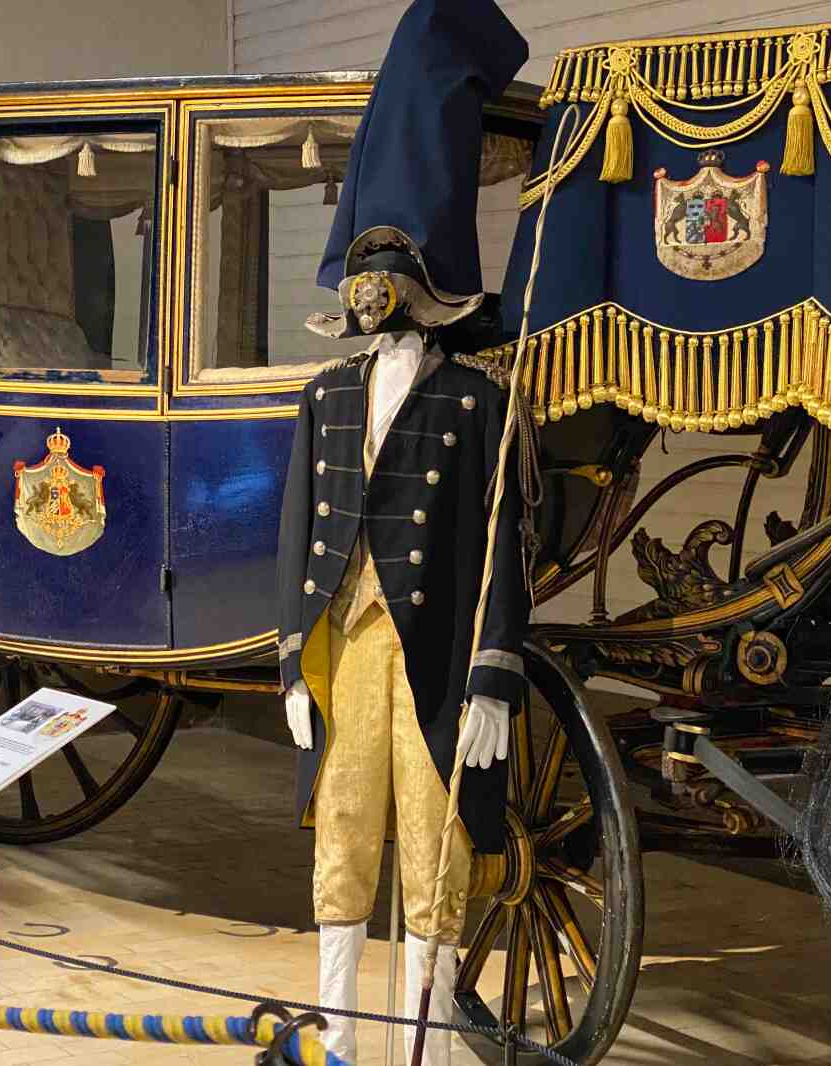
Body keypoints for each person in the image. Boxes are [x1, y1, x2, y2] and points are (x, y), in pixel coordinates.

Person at [275, 3, 530, 1062]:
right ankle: (338, 1034)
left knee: (433, 851)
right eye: (368, 276)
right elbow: (296, 537)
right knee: (344, 839)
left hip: (431, 655)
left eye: (396, 280)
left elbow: (497, 546)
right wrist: (291, 664)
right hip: (345, 649)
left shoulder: (475, 404)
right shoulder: (325, 395)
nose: (379, 293)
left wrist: (493, 674)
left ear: (428, 296)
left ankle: (421, 1042)